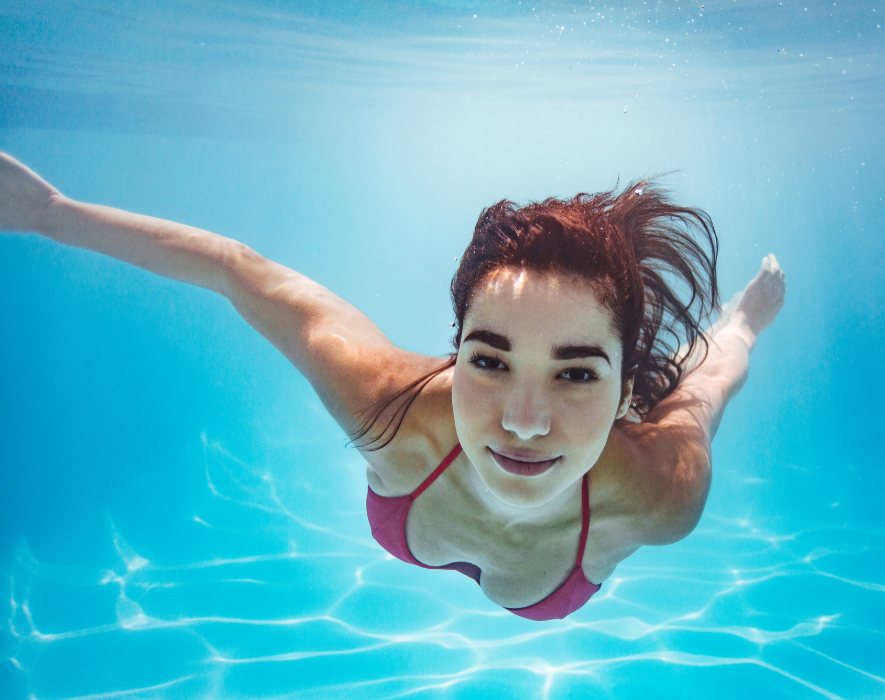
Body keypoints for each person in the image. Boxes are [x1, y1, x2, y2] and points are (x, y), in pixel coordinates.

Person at [0, 151, 785, 621]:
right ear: (454, 352)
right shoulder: (387, 403)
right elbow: (241, 272)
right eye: (490, 359)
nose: (523, 420)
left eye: (576, 373)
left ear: (621, 397)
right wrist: (47, 211)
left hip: (583, 526)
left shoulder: (658, 494)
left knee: (694, 381)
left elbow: (706, 384)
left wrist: (742, 323)